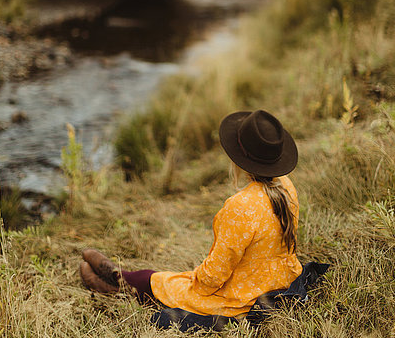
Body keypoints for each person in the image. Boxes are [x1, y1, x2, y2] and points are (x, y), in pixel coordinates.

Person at [80, 109, 303, 318]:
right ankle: (116, 280)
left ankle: (115, 282)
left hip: (243, 298)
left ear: (240, 159)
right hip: (279, 280)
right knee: (166, 280)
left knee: (156, 280)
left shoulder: (241, 206)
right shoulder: (285, 185)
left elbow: (213, 277)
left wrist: (192, 282)